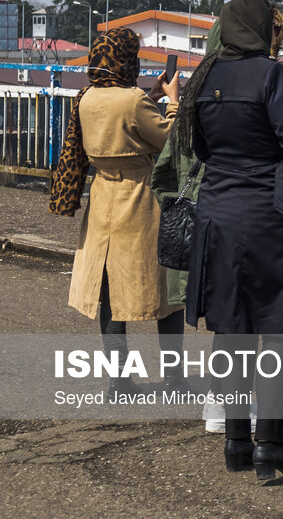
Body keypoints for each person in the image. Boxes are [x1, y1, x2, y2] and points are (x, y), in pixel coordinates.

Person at [175, 0, 283, 479]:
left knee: (230, 327)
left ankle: (236, 441)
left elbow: (198, 146)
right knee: (277, 327)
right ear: (260, 28)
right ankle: (270, 443)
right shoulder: (270, 74)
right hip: (264, 214)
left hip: (217, 211)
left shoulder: (205, 75)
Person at [152, 7, 283, 434]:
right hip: (243, 211)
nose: (271, 46)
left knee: (226, 314)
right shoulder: (256, 80)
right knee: (245, 315)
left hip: (208, 212)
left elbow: (167, 166)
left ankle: (221, 405)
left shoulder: (202, 84)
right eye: (270, 36)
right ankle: (236, 414)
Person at [49, 27, 185, 396]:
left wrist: (151, 94)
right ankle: (174, 378)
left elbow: (125, 113)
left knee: (108, 291)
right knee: (165, 290)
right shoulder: (132, 100)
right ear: (128, 60)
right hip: (139, 197)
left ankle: (119, 380)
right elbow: (170, 138)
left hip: (103, 194)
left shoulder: (87, 96)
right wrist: (171, 100)